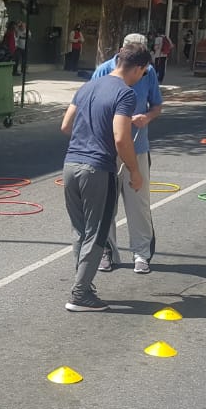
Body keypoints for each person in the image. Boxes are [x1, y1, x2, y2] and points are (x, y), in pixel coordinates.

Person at [58, 44, 152, 312]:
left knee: (80, 230)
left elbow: (66, 126)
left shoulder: (88, 86)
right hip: (97, 169)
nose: (142, 77)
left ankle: (84, 286)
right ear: (137, 68)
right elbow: (121, 138)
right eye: (144, 73)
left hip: (71, 164)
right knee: (97, 232)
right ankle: (80, 294)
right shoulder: (125, 93)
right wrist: (135, 172)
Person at [90, 32, 163, 274]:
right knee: (105, 205)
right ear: (124, 52)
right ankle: (106, 252)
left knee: (138, 204)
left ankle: (141, 253)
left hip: (137, 147)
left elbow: (156, 105)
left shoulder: (148, 73)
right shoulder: (103, 71)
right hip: (108, 151)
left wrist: (148, 117)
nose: (141, 69)